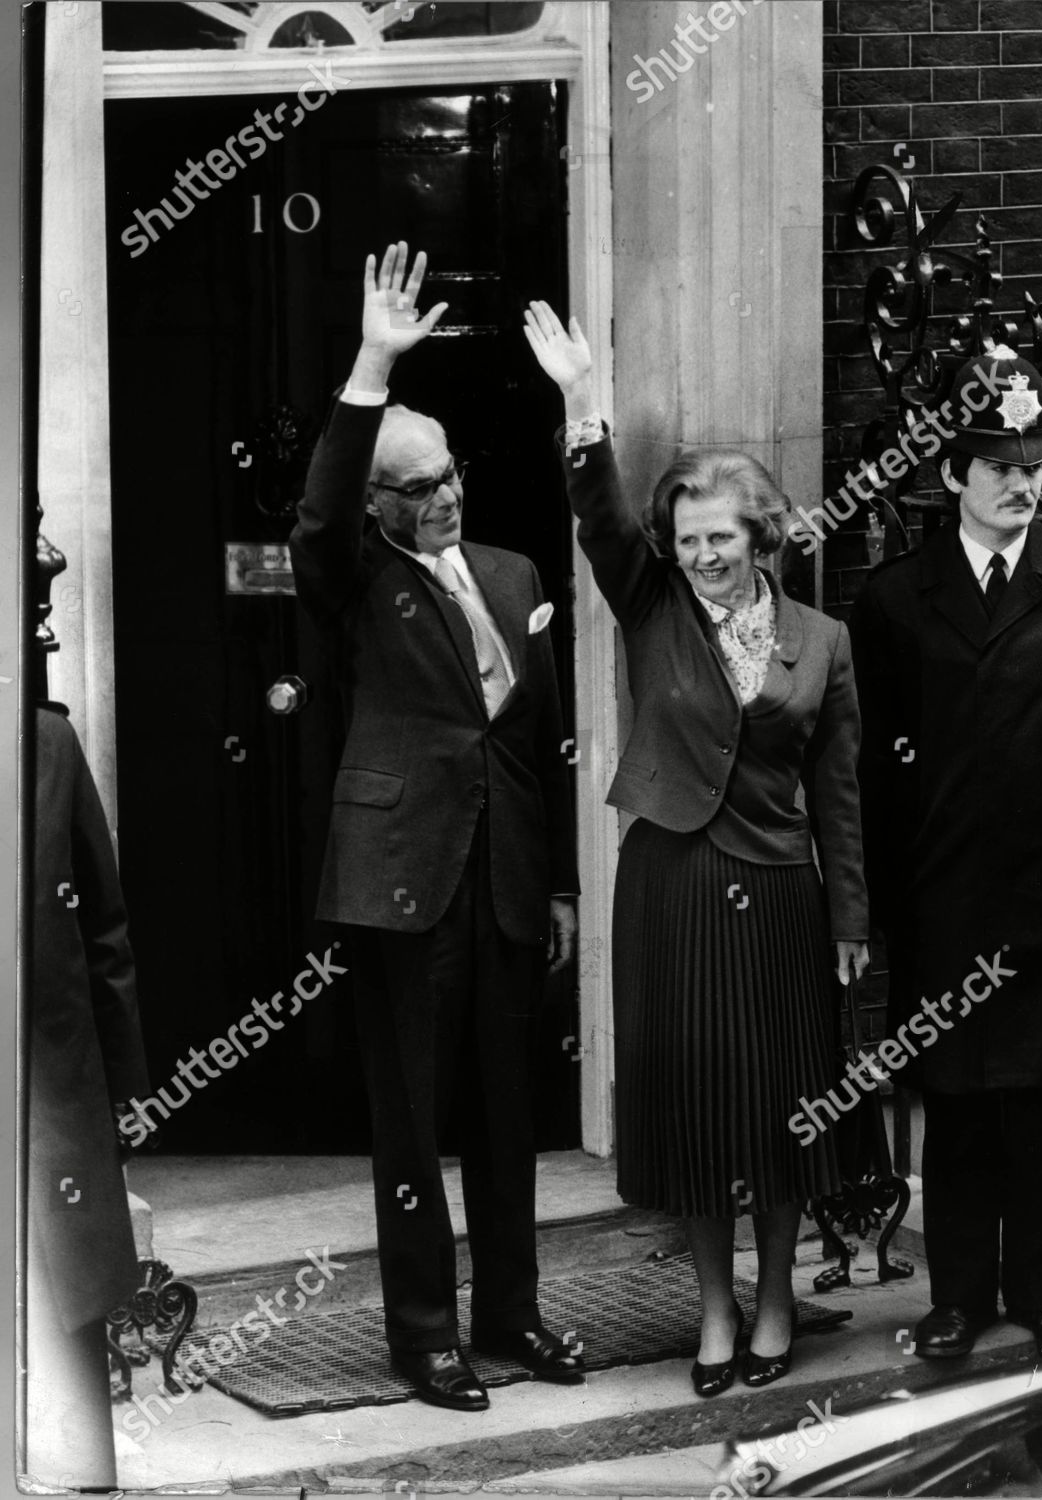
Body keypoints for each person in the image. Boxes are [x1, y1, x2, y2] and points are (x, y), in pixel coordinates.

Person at [524, 301, 869, 1397]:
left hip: (777, 892)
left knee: (776, 1116)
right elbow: (599, 521)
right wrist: (584, 407)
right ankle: (713, 1314)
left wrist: (853, 919)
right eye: (688, 541)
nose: (704, 555)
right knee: (697, 1116)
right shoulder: (652, 606)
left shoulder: (824, 641)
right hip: (670, 886)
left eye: (721, 536)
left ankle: (776, 1305)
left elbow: (840, 792)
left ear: (761, 537)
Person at [289, 243, 582, 1413]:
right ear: (378, 505)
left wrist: (558, 887)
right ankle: (424, 1335)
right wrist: (373, 366)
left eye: (449, 473)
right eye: (417, 487)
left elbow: (539, 752)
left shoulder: (513, 576)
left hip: (506, 881)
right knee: (415, 1126)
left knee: (510, 1115)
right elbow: (317, 515)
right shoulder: (356, 577)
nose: (445, 494)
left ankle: (512, 1312)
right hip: (405, 883)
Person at [848, 345, 1042, 1361]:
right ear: (952, 478)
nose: (1024, 484)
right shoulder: (892, 601)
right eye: (1000, 467)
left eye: (1035, 465)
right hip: (943, 900)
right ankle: (958, 1298)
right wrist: (881, 907)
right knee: (960, 1109)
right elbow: (872, 770)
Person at [27, 700, 151, 1488]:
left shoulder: (48, 739)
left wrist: (131, 1096)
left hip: (51, 1072)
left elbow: (105, 929)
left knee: (63, 1284)